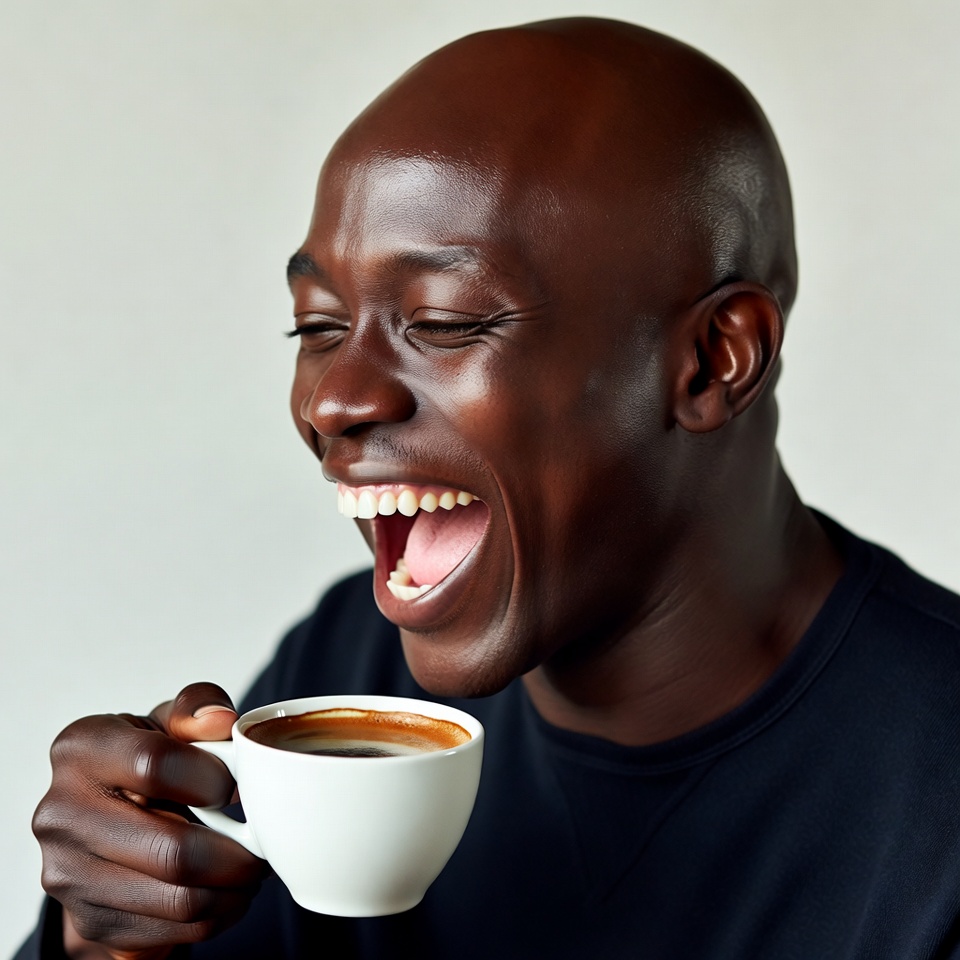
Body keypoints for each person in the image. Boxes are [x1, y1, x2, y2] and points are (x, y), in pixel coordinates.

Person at [17, 16, 960, 960]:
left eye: (442, 320)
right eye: (317, 326)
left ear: (713, 362)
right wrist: (98, 942)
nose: (335, 401)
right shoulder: (346, 675)